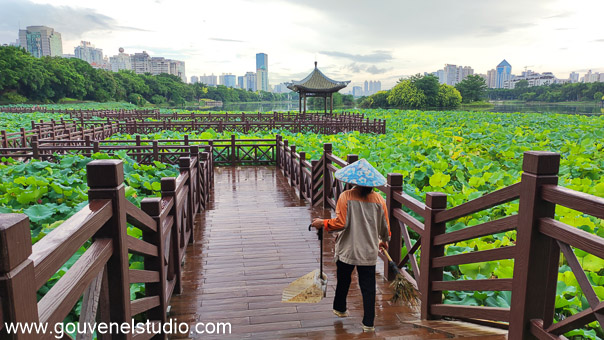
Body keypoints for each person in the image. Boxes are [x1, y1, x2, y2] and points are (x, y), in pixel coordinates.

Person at [311, 159, 390, 332]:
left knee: (344, 279)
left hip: (348, 248)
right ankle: (368, 323)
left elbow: (340, 223)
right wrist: (384, 240)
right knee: (368, 287)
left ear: (352, 180)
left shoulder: (345, 196)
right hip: (368, 250)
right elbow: (385, 226)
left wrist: (322, 223)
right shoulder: (379, 199)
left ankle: (340, 308)